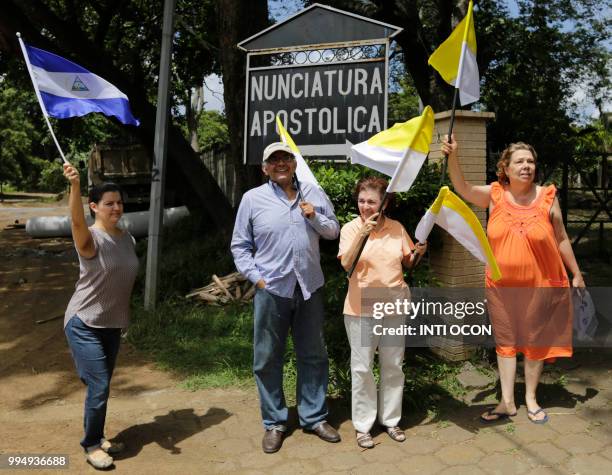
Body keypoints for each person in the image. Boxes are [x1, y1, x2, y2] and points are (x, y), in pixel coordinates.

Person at [443, 135, 585, 424]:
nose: (526, 166)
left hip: (541, 285)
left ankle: (531, 398)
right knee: (505, 341)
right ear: (505, 168)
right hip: (501, 287)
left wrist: (577, 273)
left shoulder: (547, 196)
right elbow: (463, 188)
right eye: (519, 161)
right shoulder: (495, 194)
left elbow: (560, 238)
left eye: (530, 161)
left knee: (534, 341)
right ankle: (507, 402)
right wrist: (453, 157)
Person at [231, 142, 341, 453]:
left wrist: (314, 217)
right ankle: (275, 423)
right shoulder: (252, 199)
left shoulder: (313, 194)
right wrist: (257, 278)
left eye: (285, 158)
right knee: (267, 359)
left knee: (314, 354)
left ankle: (314, 416)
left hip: (308, 287)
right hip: (272, 290)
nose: (280, 164)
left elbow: (333, 231)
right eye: (273, 160)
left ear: (293, 163)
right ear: (265, 168)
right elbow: (240, 246)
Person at [338, 177, 427, 449]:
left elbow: (408, 261)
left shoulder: (397, 228)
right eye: (362, 201)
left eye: (371, 201)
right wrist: (363, 232)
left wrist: (419, 252)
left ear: (384, 203)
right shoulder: (350, 229)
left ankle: (390, 419)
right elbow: (346, 264)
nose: (365, 206)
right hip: (361, 306)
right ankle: (363, 426)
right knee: (363, 367)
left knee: (393, 364)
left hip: (393, 304)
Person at [62, 163, 139, 469]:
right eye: (109, 203)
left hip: (111, 324)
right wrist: (75, 186)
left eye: (119, 202)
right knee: (99, 385)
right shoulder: (90, 240)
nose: (116, 207)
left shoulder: (127, 237)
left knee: (101, 385)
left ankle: (99, 435)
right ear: (94, 207)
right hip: (84, 322)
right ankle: (92, 444)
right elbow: (77, 224)